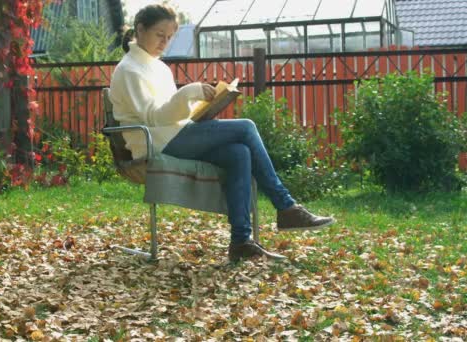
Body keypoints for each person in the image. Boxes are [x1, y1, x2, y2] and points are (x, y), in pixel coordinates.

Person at [109, 4, 334, 262]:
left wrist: (202, 107)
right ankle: (286, 206)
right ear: (140, 29)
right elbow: (155, 117)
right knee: (246, 127)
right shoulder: (129, 70)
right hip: (153, 143)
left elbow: (171, 114)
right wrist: (191, 92)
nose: (165, 42)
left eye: (169, 37)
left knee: (238, 153)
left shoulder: (158, 67)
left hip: (175, 135)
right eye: (160, 34)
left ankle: (241, 241)